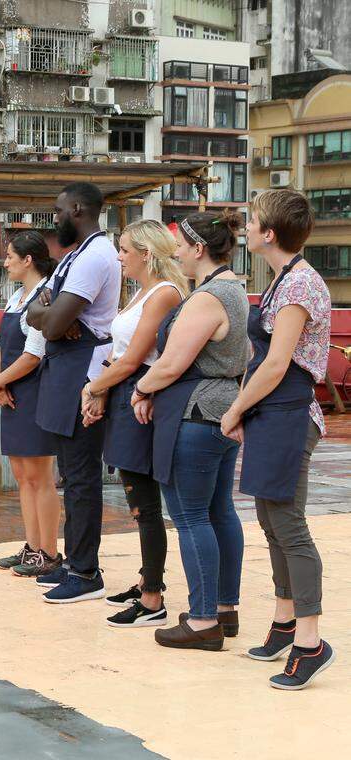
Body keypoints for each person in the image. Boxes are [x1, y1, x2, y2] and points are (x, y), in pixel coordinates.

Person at [220, 190, 334, 688]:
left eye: (251, 222)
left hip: (290, 412)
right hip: (272, 409)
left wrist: (236, 407)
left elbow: (276, 362)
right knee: (270, 518)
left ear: (269, 234)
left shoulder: (299, 285)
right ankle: (286, 621)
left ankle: (310, 642)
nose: (245, 228)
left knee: (288, 524)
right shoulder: (282, 280)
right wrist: (248, 406)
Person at [131, 211, 248, 652]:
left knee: (190, 516)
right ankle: (223, 608)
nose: (175, 252)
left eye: (181, 245)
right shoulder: (236, 291)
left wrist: (140, 389)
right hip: (222, 411)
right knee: (220, 511)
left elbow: (173, 362)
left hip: (196, 413)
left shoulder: (206, 298)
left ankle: (201, 622)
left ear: (199, 249)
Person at [79, 220, 185, 628]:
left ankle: (152, 597)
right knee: (135, 497)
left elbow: (133, 358)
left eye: (124, 249)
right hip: (124, 393)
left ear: (147, 252)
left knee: (144, 503)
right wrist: (101, 391)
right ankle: (146, 579)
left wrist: (92, 389)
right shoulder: (141, 292)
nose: (118, 257)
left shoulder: (163, 293)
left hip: (142, 397)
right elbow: (117, 352)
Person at [25, 182, 121, 603]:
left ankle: (85, 572)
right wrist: (44, 311)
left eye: (58, 209)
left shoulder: (96, 256)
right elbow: (38, 311)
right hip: (64, 364)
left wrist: (45, 312)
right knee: (70, 474)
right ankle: (73, 561)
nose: (54, 216)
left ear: (77, 209)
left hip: (82, 367)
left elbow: (49, 320)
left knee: (81, 478)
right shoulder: (77, 255)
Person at [0, 231, 62, 579]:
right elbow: (1, 344)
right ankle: (31, 546)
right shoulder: (17, 296)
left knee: (39, 475)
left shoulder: (45, 295)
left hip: (34, 390)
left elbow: (34, 354)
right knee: (21, 474)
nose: (5, 262)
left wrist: (0, 381)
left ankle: (49, 552)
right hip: (11, 392)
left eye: (10, 256)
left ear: (28, 260)